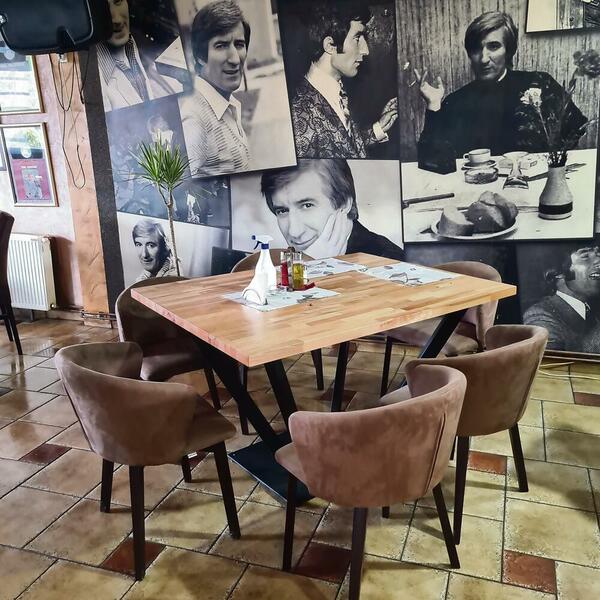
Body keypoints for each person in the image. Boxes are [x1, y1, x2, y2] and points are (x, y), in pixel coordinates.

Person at [416, 11, 587, 164]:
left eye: (494, 46)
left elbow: (576, 129)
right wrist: (433, 104)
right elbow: (432, 159)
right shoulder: (455, 102)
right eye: (476, 48)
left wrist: (553, 168)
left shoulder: (539, 84)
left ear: (509, 51)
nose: (484, 59)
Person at [289, 2, 398, 158]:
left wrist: (378, 129)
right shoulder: (299, 114)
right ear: (330, 45)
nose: (365, 50)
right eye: (357, 38)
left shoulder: (335, 91)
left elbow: (341, 146)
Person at [260, 159, 404, 260]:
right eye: (282, 211)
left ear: (344, 204)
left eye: (307, 205)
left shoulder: (388, 260)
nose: (294, 232)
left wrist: (316, 266)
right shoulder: (285, 261)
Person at [180, 0, 251, 177]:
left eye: (239, 44)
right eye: (221, 45)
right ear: (200, 56)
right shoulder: (194, 118)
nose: (235, 59)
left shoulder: (226, 103)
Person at [97, 0, 183, 111]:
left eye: (118, 1)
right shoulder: (94, 85)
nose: (116, 19)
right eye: (102, 8)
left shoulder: (139, 50)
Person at [523, 246, 600, 351]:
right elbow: (549, 360)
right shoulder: (539, 316)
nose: (598, 261)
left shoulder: (592, 312)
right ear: (558, 272)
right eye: (585, 256)